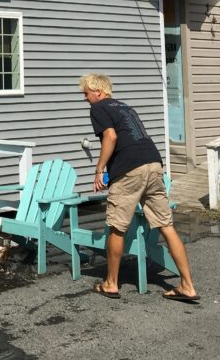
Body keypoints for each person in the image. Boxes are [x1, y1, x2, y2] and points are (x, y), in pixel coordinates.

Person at [79, 73, 198, 301]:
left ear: (99, 92)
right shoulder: (125, 107)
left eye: (86, 93)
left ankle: (111, 283)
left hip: (129, 170)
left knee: (116, 226)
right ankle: (187, 285)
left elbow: (111, 137)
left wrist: (100, 169)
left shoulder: (99, 108)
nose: (85, 98)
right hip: (153, 164)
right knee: (166, 225)